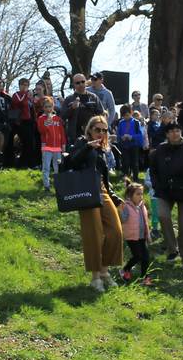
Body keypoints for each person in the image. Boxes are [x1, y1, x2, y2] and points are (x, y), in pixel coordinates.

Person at [62, 115, 124, 291]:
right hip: (86, 191)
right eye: (97, 129)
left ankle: (104, 271)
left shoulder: (103, 149)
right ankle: (96, 277)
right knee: (94, 234)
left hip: (102, 190)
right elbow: (70, 162)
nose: (101, 133)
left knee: (115, 231)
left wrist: (114, 197)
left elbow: (104, 176)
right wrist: (88, 147)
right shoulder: (83, 142)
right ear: (89, 129)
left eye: (105, 130)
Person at [148, 122, 183, 269]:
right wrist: (157, 185)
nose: (175, 133)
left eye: (178, 130)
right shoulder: (161, 149)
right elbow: (153, 169)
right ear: (167, 134)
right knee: (163, 215)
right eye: (172, 131)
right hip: (164, 191)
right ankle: (172, 249)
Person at [119, 180, 152, 285]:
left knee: (146, 258)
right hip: (132, 237)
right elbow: (123, 220)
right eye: (138, 194)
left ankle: (144, 277)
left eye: (142, 194)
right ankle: (125, 269)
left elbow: (145, 221)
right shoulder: (126, 206)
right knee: (137, 256)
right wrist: (120, 210)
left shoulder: (142, 205)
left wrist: (148, 234)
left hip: (142, 236)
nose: (141, 196)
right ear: (130, 195)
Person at [36, 96, 65, 191]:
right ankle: (46, 185)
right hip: (47, 147)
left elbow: (62, 132)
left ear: (53, 107)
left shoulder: (57, 119)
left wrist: (63, 144)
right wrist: (47, 124)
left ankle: (58, 184)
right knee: (46, 167)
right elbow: (41, 131)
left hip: (57, 148)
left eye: (50, 107)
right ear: (43, 108)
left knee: (58, 167)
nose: (48, 109)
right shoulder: (41, 119)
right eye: (46, 107)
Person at [62, 74, 102, 139]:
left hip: (92, 135)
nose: (81, 84)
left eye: (83, 81)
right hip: (75, 137)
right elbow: (62, 116)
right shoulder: (69, 99)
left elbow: (101, 115)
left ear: (86, 82)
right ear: (74, 85)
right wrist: (72, 108)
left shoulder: (93, 97)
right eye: (78, 83)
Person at [115, 105, 144, 177]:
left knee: (135, 162)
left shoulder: (136, 123)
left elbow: (140, 136)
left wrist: (132, 137)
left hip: (134, 145)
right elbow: (118, 135)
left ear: (131, 113)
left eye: (127, 115)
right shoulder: (121, 123)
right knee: (125, 161)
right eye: (124, 116)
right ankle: (126, 175)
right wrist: (121, 138)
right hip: (124, 146)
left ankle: (135, 177)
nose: (126, 117)